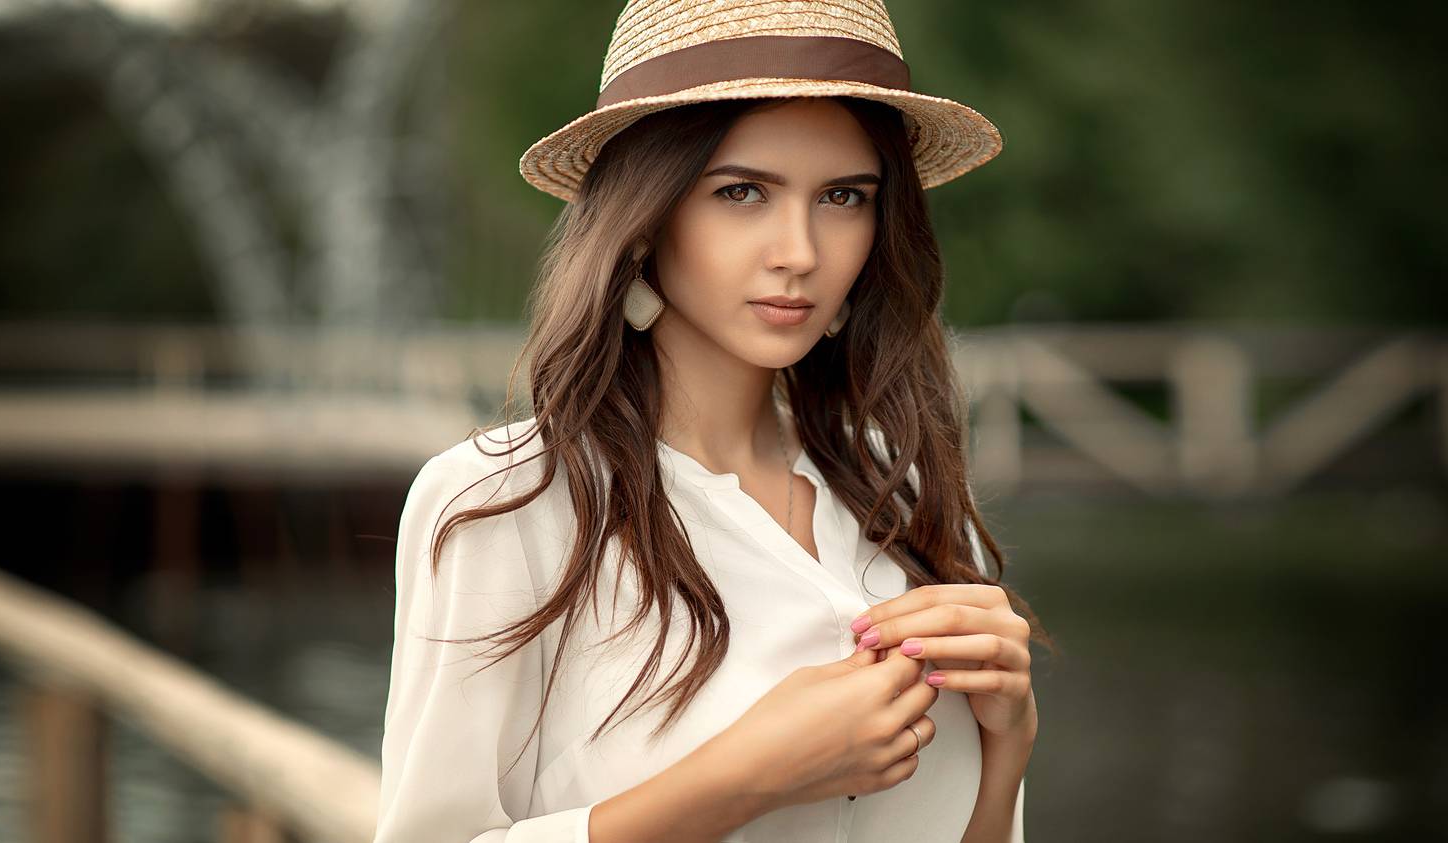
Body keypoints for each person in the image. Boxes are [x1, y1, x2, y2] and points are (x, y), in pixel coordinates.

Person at [373, 2, 1051, 841]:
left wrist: (1007, 745)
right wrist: (743, 777)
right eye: (741, 192)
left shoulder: (903, 486)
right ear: (646, 214)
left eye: (844, 196)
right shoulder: (506, 501)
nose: (800, 251)